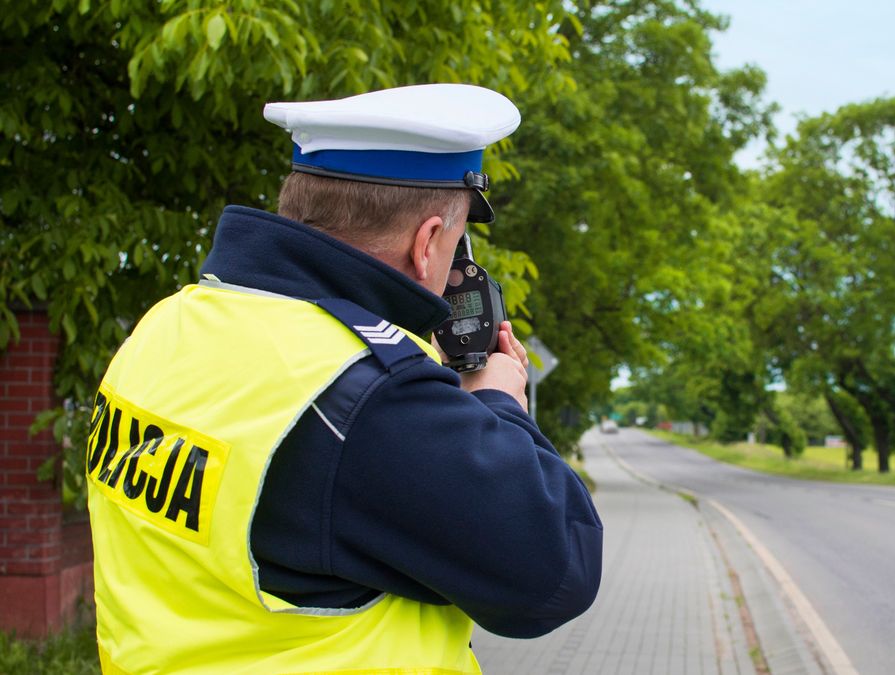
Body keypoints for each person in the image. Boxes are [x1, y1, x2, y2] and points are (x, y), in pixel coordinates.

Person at [85, 84, 602, 674]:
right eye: (457, 244)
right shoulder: (367, 395)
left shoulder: (170, 324)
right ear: (429, 242)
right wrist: (497, 404)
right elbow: (555, 574)